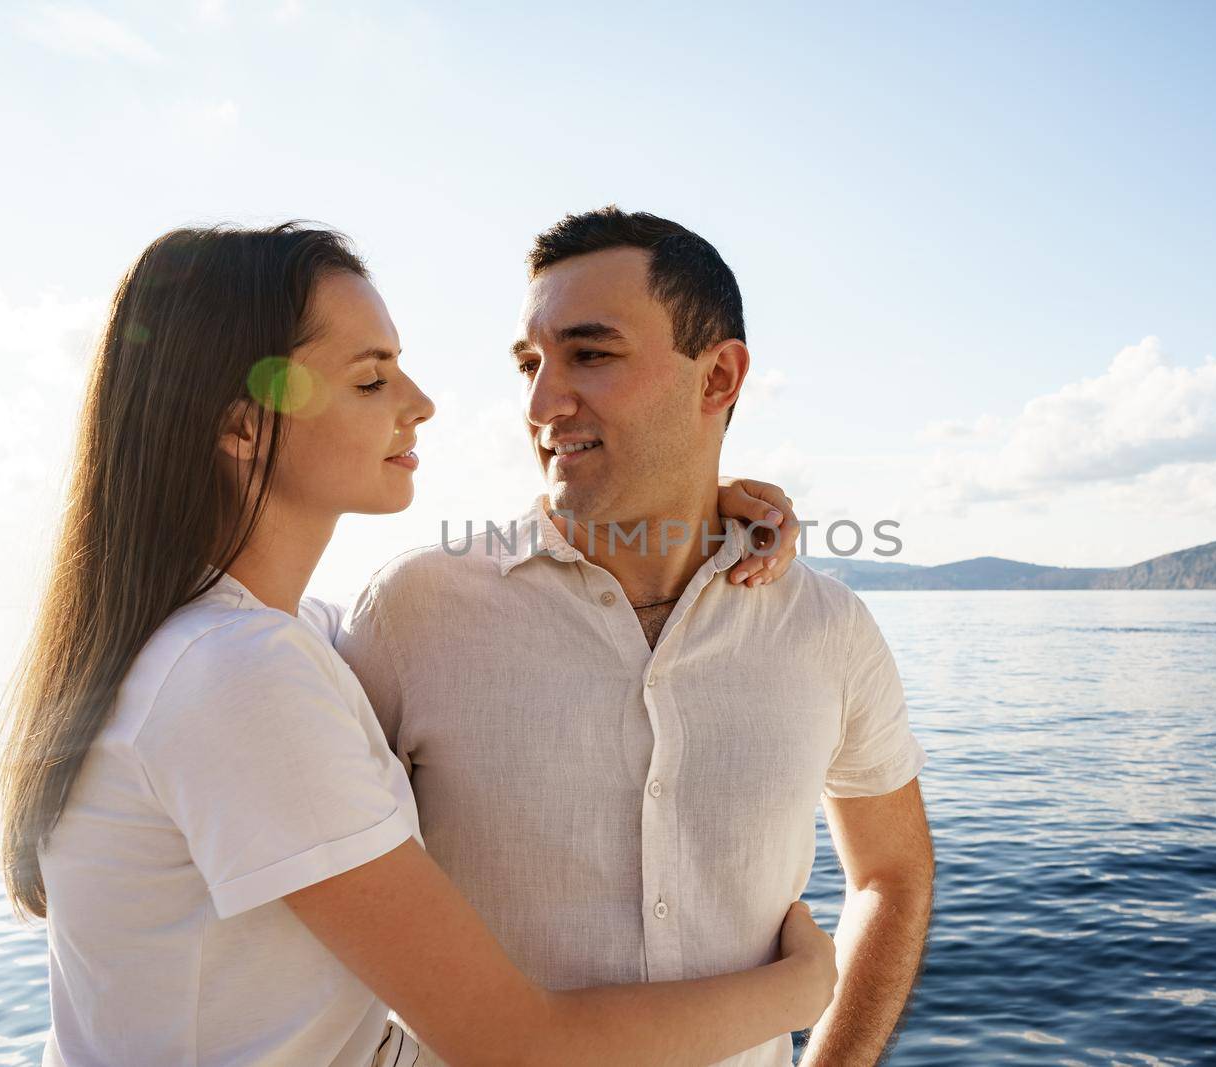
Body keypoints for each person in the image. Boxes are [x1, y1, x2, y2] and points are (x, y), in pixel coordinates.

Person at [0, 222, 835, 1067]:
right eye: (370, 379)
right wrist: (802, 987)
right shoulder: (237, 671)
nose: (420, 402)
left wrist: (692, 504)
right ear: (245, 428)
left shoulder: (261, 641)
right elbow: (515, 1044)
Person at [337, 207, 935, 1067]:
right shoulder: (412, 610)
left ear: (719, 377)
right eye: (529, 364)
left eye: (590, 353)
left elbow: (892, 873)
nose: (542, 403)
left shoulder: (827, 629)